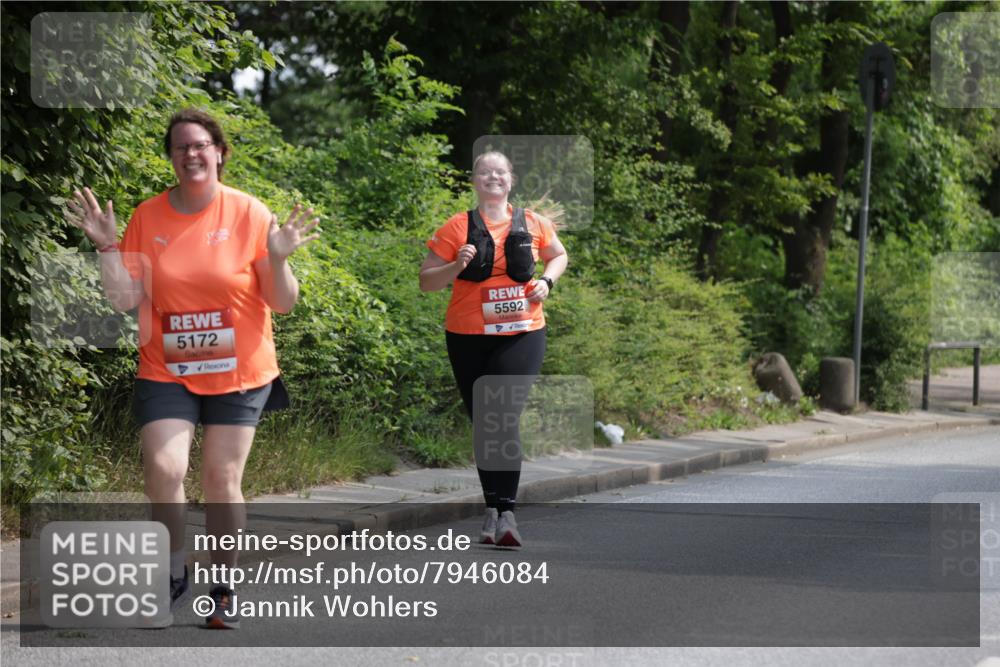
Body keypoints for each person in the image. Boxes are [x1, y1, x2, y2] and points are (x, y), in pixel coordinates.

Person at [67, 108, 319, 628]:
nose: (192, 154)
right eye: (181, 147)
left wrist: (279, 258)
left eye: (201, 144)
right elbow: (124, 299)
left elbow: (284, 302)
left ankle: (223, 586)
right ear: (172, 158)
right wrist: (109, 246)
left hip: (239, 369)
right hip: (167, 366)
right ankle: (172, 569)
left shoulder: (249, 213)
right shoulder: (148, 216)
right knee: (164, 469)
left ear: (220, 152)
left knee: (221, 478)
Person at [419, 151, 568, 548]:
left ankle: (507, 514)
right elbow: (427, 282)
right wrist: (456, 265)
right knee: (485, 421)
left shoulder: (534, 223)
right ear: (474, 180)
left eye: (499, 172)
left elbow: (559, 255)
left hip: (522, 332)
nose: (493, 177)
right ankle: (491, 509)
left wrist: (547, 283)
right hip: (467, 335)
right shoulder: (456, 227)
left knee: (503, 414)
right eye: (485, 172)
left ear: (511, 180)